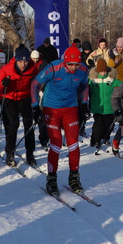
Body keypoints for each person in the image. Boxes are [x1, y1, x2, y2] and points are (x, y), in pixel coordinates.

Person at [34, 45, 89, 195]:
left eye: (76, 64)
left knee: (73, 144)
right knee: (56, 143)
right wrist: (34, 107)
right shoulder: (54, 67)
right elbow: (35, 84)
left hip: (70, 108)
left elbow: (84, 86)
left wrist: (84, 105)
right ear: (65, 61)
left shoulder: (83, 69)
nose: (73, 67)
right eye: (70, 64)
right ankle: (51, 178)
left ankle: (74, 176)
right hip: (51, 108)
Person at [0, 45, 40, 167]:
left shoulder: (32, 68)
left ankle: (30, 153)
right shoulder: (7, 69)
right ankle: (10, 152)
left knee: (29, 123)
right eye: (20, 61)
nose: (23, 64)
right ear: (16, 60)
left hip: (24, 97)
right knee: (14, 123)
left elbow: (37, 82)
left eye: (26, 61)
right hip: (9, 98)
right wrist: (3, 83)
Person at [87, 58, 120, 150]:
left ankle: (106, 137)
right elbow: (87, 90)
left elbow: (121, 85)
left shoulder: (111, 79)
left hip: (109, 107)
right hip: (98, 107)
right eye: (101, 72)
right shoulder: (93, 80)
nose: (103, 73)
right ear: (98, 71)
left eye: (105, 71)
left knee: (109, 125)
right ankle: (95, 140)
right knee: (98, 126)